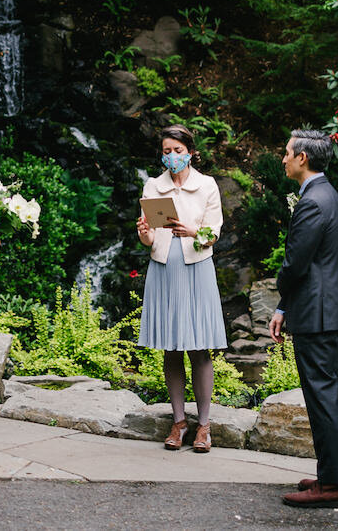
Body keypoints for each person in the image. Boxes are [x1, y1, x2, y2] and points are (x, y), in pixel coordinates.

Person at [270, 129, 338, 508]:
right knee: (332, 394)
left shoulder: (312, 202)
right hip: (325, 308)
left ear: (302, 158)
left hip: (315, 311)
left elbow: (296, 263)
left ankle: (333, 486)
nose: (283, 159)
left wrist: (282, 301)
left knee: (322, 396)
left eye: (287, 153)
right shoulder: (328, 194)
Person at [135, 123, 226, 453]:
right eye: (166, 151)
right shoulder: (153, 185)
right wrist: (145, 233)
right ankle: (178, 422)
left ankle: (204, 426)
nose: (172, 156)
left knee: (199, 348)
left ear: (190, 151)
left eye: (177, 150)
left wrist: (191, 231)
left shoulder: (208, 186)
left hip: (197, 267)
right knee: (171, 347)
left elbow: (213, 233)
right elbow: (148, 238)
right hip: (163, 268)